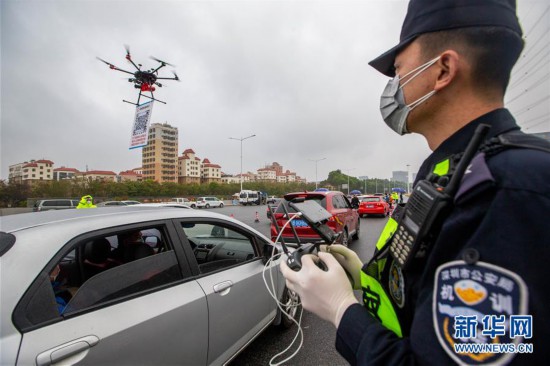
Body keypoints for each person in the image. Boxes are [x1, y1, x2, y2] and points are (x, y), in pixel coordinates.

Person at [280, 1, 550, 364]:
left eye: (400, 69)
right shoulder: (452, 169)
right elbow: (431, 293)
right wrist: (364, 279)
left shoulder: (508, 190)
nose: (395, 85)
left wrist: (341, 309)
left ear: (443, 70)